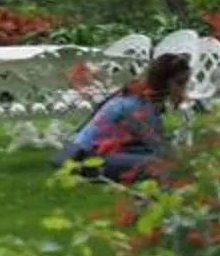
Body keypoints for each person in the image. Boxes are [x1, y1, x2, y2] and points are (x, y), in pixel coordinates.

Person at [61, 50, 190, 183]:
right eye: (180, 83)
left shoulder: (135, 93)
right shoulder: (138, 106)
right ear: (163, 82)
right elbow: (163, 150)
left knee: (155, 157)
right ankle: (164, 195)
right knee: (162, 165)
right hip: (80, 160)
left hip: (81, 153)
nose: (184, 89)